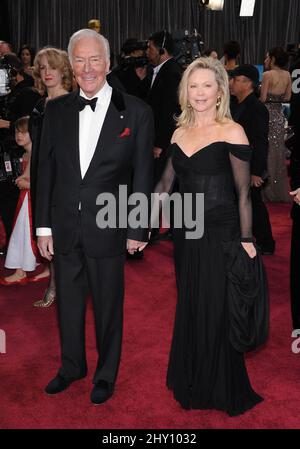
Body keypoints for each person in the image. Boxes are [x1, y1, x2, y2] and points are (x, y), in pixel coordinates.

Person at [35, 29, 153, 404]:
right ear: (72, 64)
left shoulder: (136, 111)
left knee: (107, 306)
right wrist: (43, 225)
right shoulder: (54, 110)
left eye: (94, 59)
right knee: (68, 303)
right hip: (65, 225)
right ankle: (72, 366)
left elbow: (142, 177)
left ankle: (105, 374)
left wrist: (138, 226)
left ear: (107, 63)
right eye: (80, 60)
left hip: (111, 226)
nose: (87, 68)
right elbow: (45, 172)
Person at [153, 57, 268, 416]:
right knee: (190, 303)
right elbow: (164, 186)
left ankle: (221, 386)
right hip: (186, 235)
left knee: (217, 309)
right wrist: (138, 226)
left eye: (207, 85)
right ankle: (194, 378)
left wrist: (247, 240)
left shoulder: (232, 130)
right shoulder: (178, 133)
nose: (200, 92)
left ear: (220, 91)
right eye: (193, 85)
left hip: (220, 234)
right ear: (184, 92)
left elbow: (244, 193)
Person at [30, 47, 73, 307]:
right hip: (41, 173)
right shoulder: (40, 104)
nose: (47, 72)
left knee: (63, 232)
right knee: (47, 230)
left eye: (52, 67)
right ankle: (56, 282)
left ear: (63, 70)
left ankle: (60, 286)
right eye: (42, 68)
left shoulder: (71, 103)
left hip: (63, 178)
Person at [230, 64, 275, 255]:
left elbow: (261, 142)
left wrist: (257, 171)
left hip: (249, 167)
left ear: (248, 84)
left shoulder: (257, 108)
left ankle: (266, 242)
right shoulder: (234, 104)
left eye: (236, 79)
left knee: (254, 205)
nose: (231, 83)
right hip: (234, 165)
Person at [0, 116, 48, 285]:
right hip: (27, 198)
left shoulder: (38, 151)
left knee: (26, 234)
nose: (18, 135)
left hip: (34, 201)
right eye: (16, 131)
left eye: (23, 132)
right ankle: (23, 269)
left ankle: (23, 270)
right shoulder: (28, 152)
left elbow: (44, 181)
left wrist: (25, 183)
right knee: (22, 234)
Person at [260, 47, 292, 202]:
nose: (266, 60)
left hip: (267, 115)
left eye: (267, 58)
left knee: (266, 150)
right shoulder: (287, 75)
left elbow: (263, 98)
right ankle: (277, 188)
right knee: (277, 151)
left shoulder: (267, 75)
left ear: (273, 59)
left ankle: (267, 190)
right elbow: (287, 97)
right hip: (279, 115)